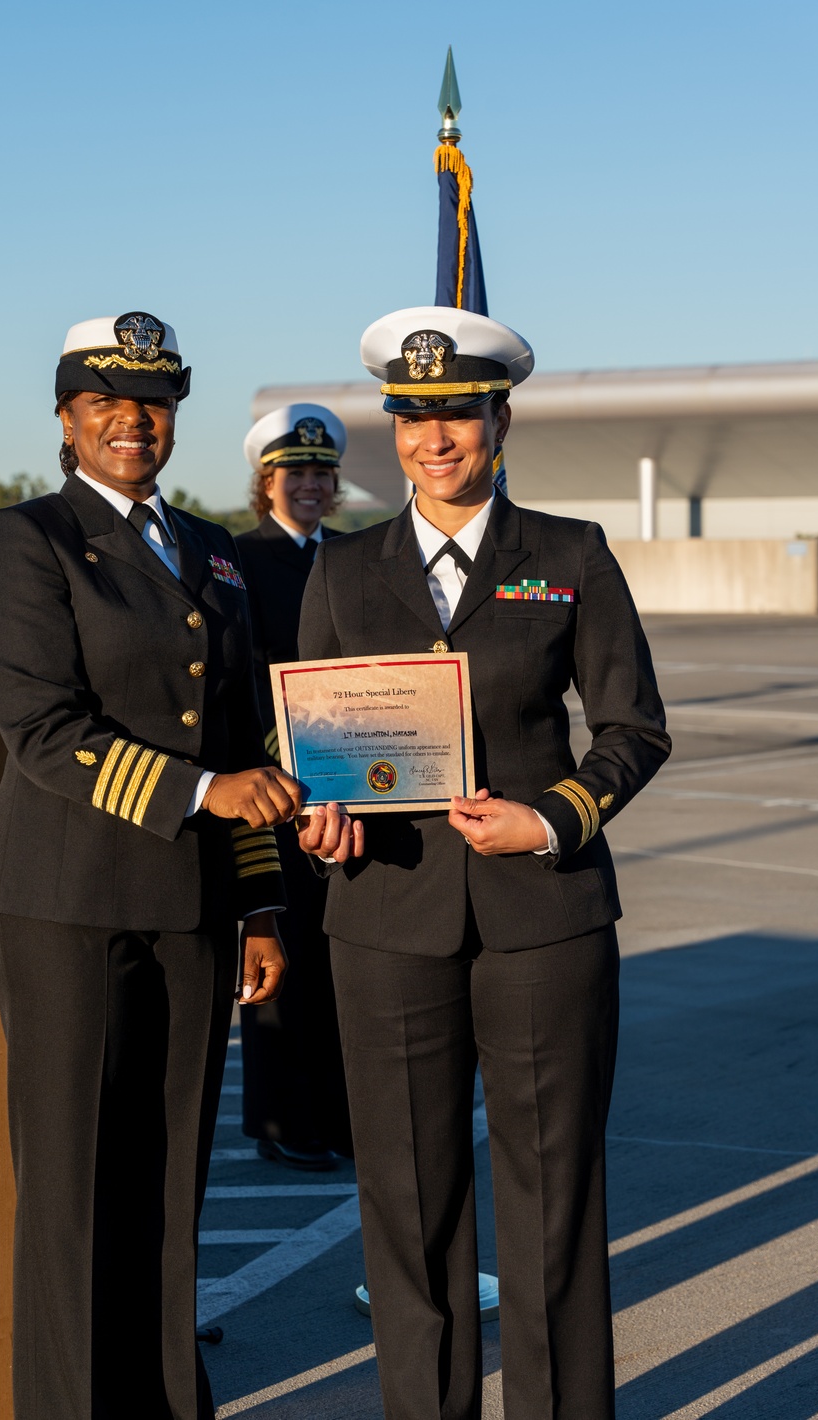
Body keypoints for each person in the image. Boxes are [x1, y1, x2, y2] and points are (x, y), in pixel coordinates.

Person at [296, 306, 672, 1420]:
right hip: (384, 918)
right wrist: (321, 820)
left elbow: (633, 730)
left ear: (499, 419)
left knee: (552, 1202)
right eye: (412, 417)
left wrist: (550, 818)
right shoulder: (342, 566)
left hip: (540, 918)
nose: (434, 437)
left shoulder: (567, 555)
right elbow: (311, 737)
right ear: (393, 429)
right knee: (407, 1213)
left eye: (456, 413)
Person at [0, 311, 302, 1420]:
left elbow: (244, 730)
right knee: (72, 1190)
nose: (132, 421)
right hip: (69, 905)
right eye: (106, 401)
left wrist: (260, 902)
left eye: (152, 402)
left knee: (171, 1181)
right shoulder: (30, 541)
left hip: (194, 907)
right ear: (65, 418)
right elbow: (42, 728)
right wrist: (202, 795)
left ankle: (167, 1403)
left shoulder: (208, 548)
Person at [235, 404, 353, 1169]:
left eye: (320, 474)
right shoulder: (236, 561)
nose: (309, 486)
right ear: (265, 482)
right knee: (280, 951)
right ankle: (281, 1125)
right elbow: (240, 677)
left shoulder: (356, 557)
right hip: (274, 785)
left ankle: (341, 1118)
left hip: (349, 779)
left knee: (345, 957)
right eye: (294, 473)